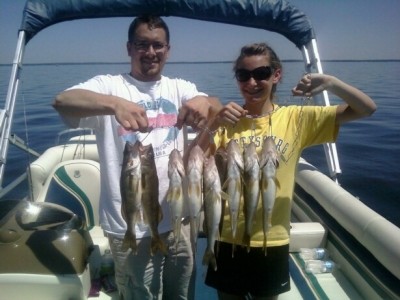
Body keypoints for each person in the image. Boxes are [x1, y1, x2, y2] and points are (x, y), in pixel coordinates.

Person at [53, 15, 221, 300]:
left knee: (180, 293)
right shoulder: (109, 85)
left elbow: (216, 108)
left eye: (158, 45)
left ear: (168, 50)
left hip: (180, 219)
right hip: (131, 225)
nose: (150, 52)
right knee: (141, 294)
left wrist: (205, 102)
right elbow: (63, 101)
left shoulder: (180, 88)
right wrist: (114, 104)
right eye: (142, 45)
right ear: (129, 48)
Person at [191, 42, 376, 299]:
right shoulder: (226, 121)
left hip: (272, 238)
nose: (252, 82)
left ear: (276, 75)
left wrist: (332, 83)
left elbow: (366, 109)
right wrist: (213, 122)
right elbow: (193, 161)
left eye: (262, 73)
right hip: (226, 237)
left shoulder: (296, 118)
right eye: (243, 75)